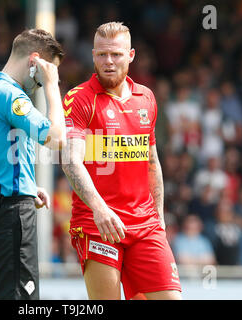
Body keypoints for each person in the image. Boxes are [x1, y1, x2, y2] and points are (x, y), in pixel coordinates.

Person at [61, 22, 181, 300]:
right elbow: (70, 162)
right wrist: (100, 210)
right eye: (102, 55)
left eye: (116, 54)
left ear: (131, 55)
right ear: (93, 56)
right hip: (97, 224)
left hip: (145, 225)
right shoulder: (79, 99)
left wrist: (160, 217)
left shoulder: (147, 98)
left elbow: (151, 161)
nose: (109, 61)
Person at [0, 29, 65, 300]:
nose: (40, 85)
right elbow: (56, 138)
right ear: (35, 63)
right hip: (9, 215)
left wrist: (24, 183)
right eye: (43, 76)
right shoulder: (12, 97)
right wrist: (53, 87)